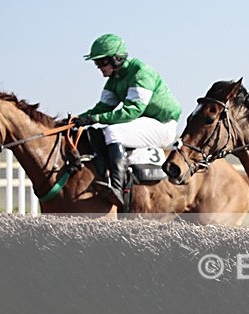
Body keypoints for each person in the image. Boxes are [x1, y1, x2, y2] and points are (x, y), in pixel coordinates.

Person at [75, 33, 181, 207]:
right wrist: (79, 119)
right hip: (144, 122)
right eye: (96, 63)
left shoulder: (141, 73)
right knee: (94, 133)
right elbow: (103, 107)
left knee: (113, 131)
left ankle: (117, 188)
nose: (98, 67)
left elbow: (131, 112)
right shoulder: (114, 79)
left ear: (117, 59)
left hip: (163, 125)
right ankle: (104, 176)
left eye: (101, 62)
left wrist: (93, 118)